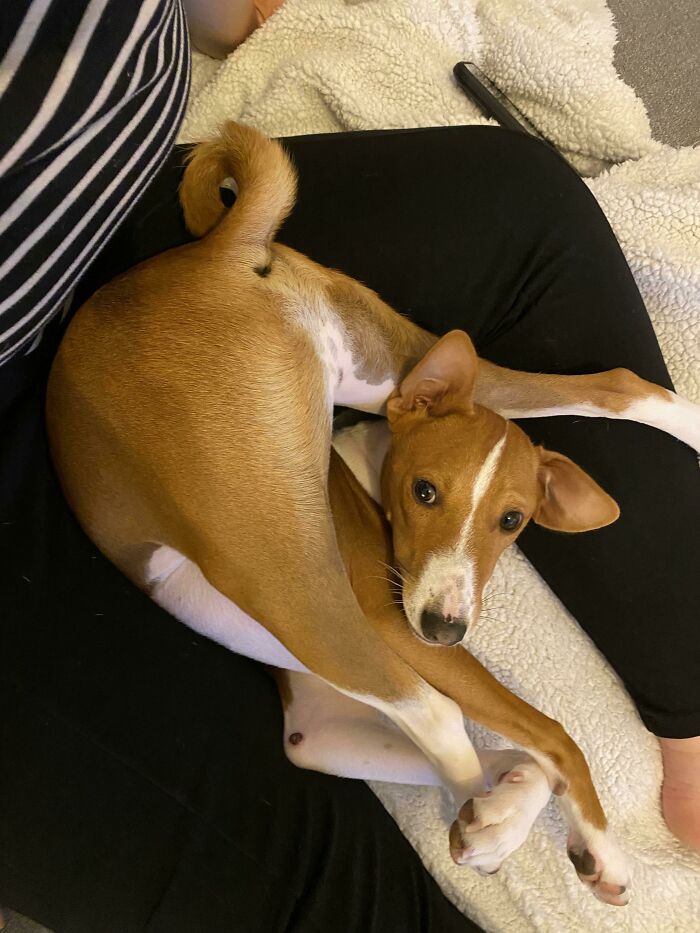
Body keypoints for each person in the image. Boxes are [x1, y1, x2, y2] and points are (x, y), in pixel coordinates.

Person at [1, 2, 699, 931]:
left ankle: (683, 697)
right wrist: (479, 755)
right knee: (289, 864)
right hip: (51, 392)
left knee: (519, 200)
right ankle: (492, 773)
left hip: (152, 215)